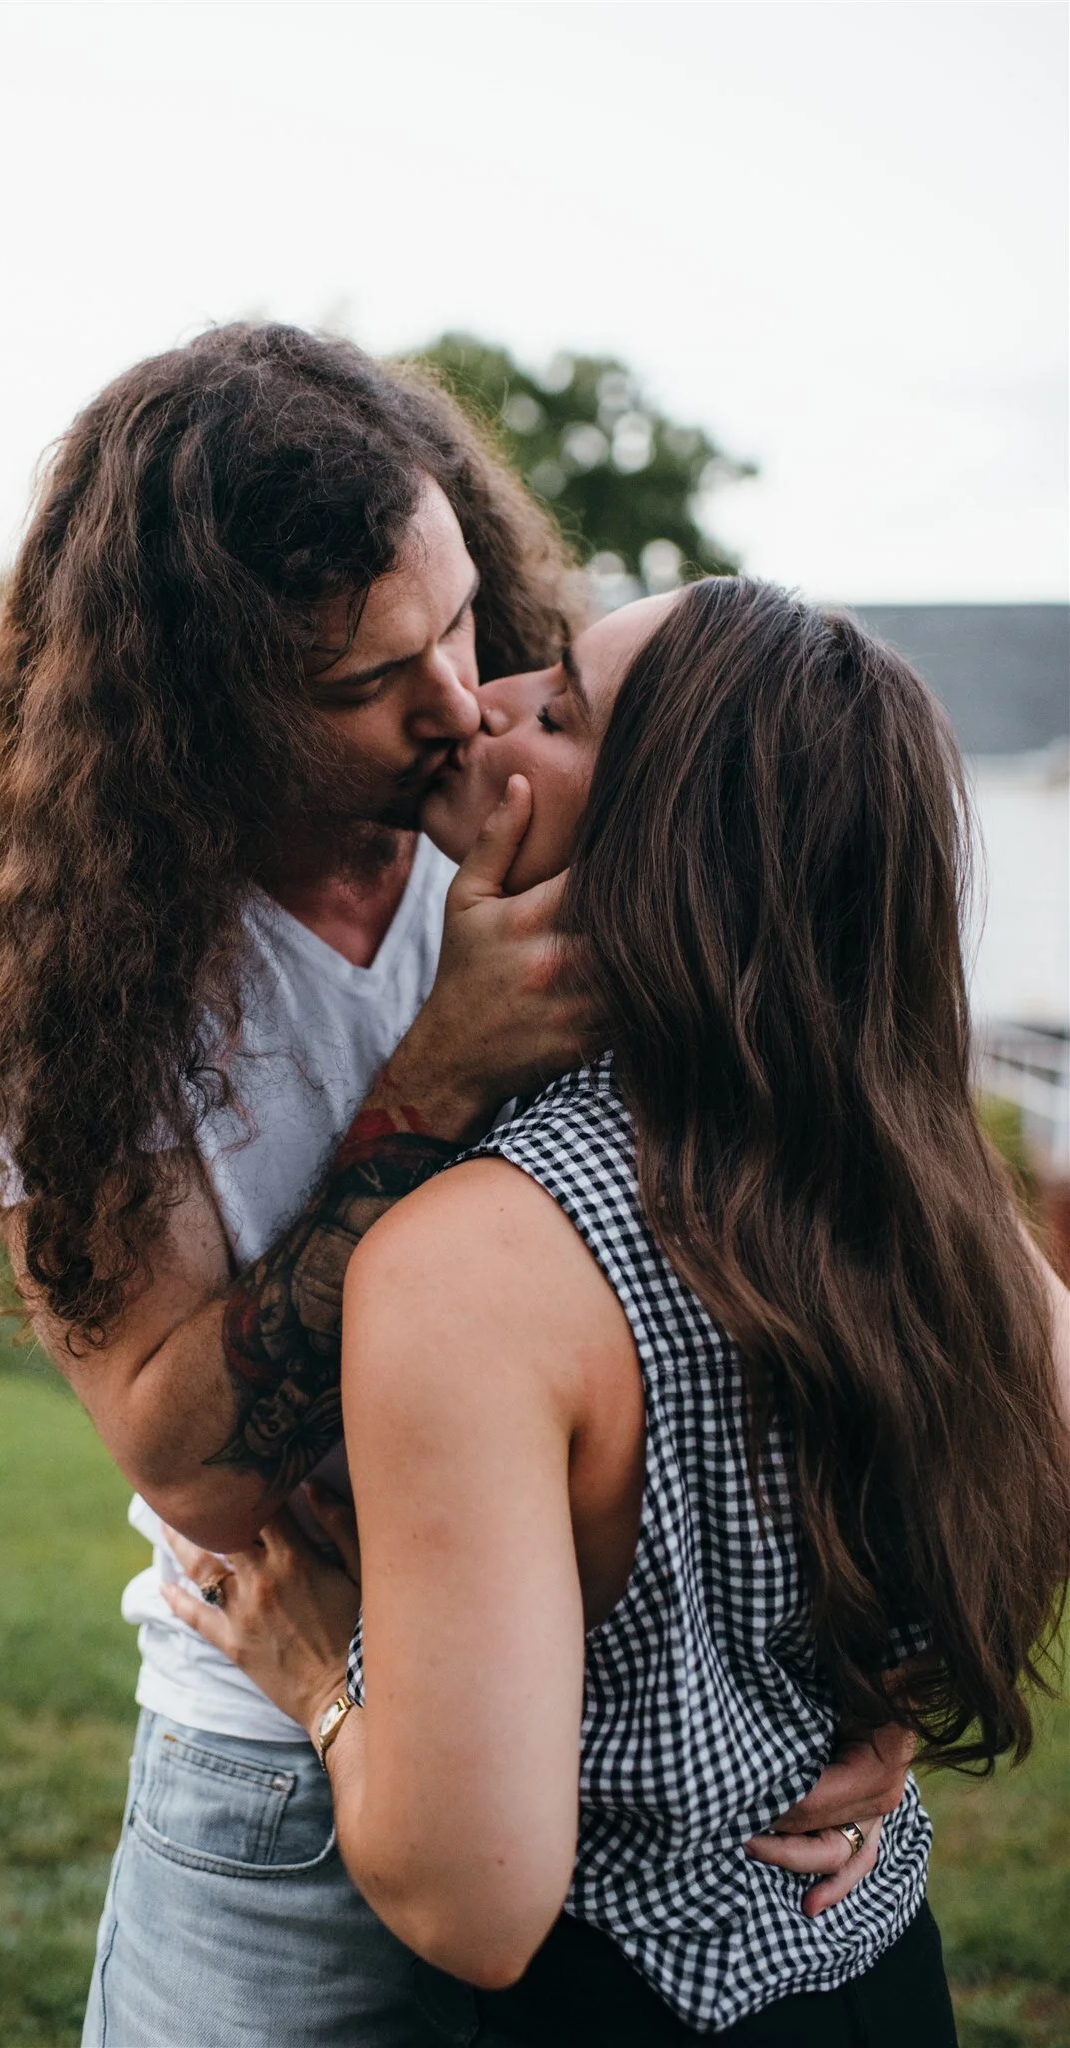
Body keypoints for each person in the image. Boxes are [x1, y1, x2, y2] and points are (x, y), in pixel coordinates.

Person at [0, 332, 912, 2047]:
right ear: (201, 704)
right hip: (279, 1777)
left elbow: (878, 1230)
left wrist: (882, 1678)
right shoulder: (69, 977)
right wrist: (433, 1080)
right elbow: (193, 1470)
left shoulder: (569, 812)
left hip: (647, 1738)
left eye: (458, 621)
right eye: (367, 680)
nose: (453, 698)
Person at [166, 577, 1070, 2044]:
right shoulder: (917, 1176)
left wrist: (322, 1674)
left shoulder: (469, 1265)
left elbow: (474, 1906)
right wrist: (896, 1670)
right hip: (876, 1975)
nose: (486, 702)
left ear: (664, 844)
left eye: (563, 710)